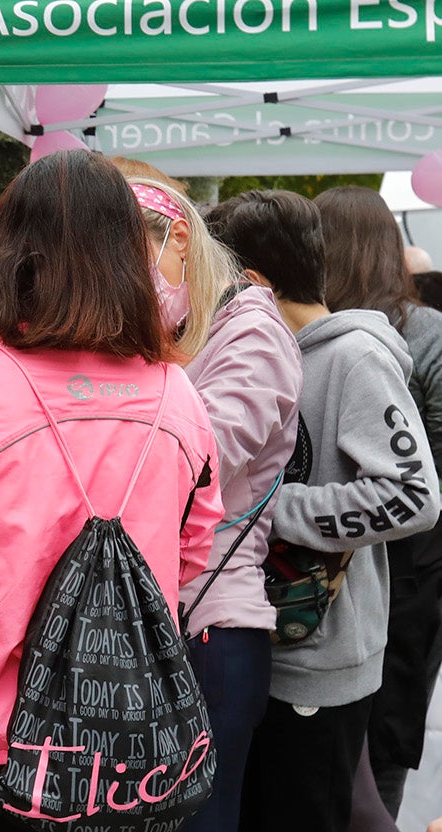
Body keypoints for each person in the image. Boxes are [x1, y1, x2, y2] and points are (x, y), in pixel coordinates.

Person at [0, 150, 224, 831]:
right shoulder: (178, 392)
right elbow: (190, 561)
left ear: (10, 254)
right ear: (127, 254)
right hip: (125, 753)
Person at [206, 190, 441, 832]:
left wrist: (272, 508)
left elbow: (413, 497)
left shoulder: (353, 358)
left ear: (250, 282)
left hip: (319, 660)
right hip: (262, 646)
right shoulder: (262, 357)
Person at [130, 176, 303, 832]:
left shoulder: (251, 332)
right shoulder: (185, 331)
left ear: (179, 239)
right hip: (168, 620)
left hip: (212, 626)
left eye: (128, 264)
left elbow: (199, 465)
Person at [316, 186, 442, 819]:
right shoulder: (423, 332)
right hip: (411, 566)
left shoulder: (330, 339)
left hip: (359, 563)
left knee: (348, 742)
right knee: (383, 733)